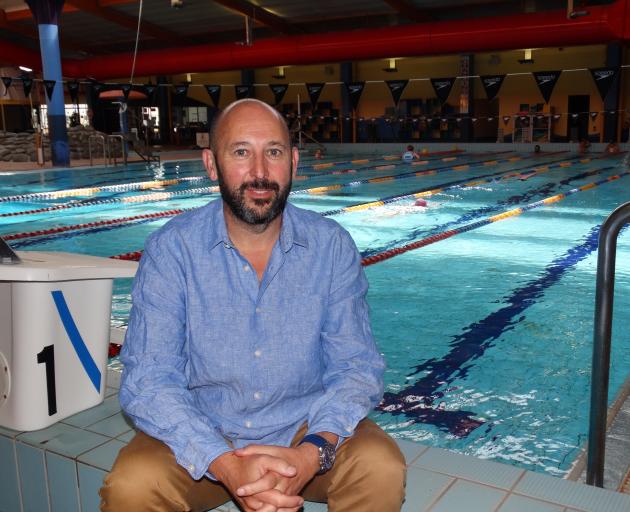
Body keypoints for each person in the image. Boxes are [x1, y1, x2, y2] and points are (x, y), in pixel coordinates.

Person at [100, 98, 406, 512]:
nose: (260, 172)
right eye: (241, 152)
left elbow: (356, 367)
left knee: (380, 468)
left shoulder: (330, 247)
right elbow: (149, 379)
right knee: (132, 487)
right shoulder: (172, 249)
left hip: (305, 429)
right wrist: (224, 463)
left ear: (293, 162)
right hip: (207, 431)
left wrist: (311, 453)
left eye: (274, 152)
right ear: (212, 164)